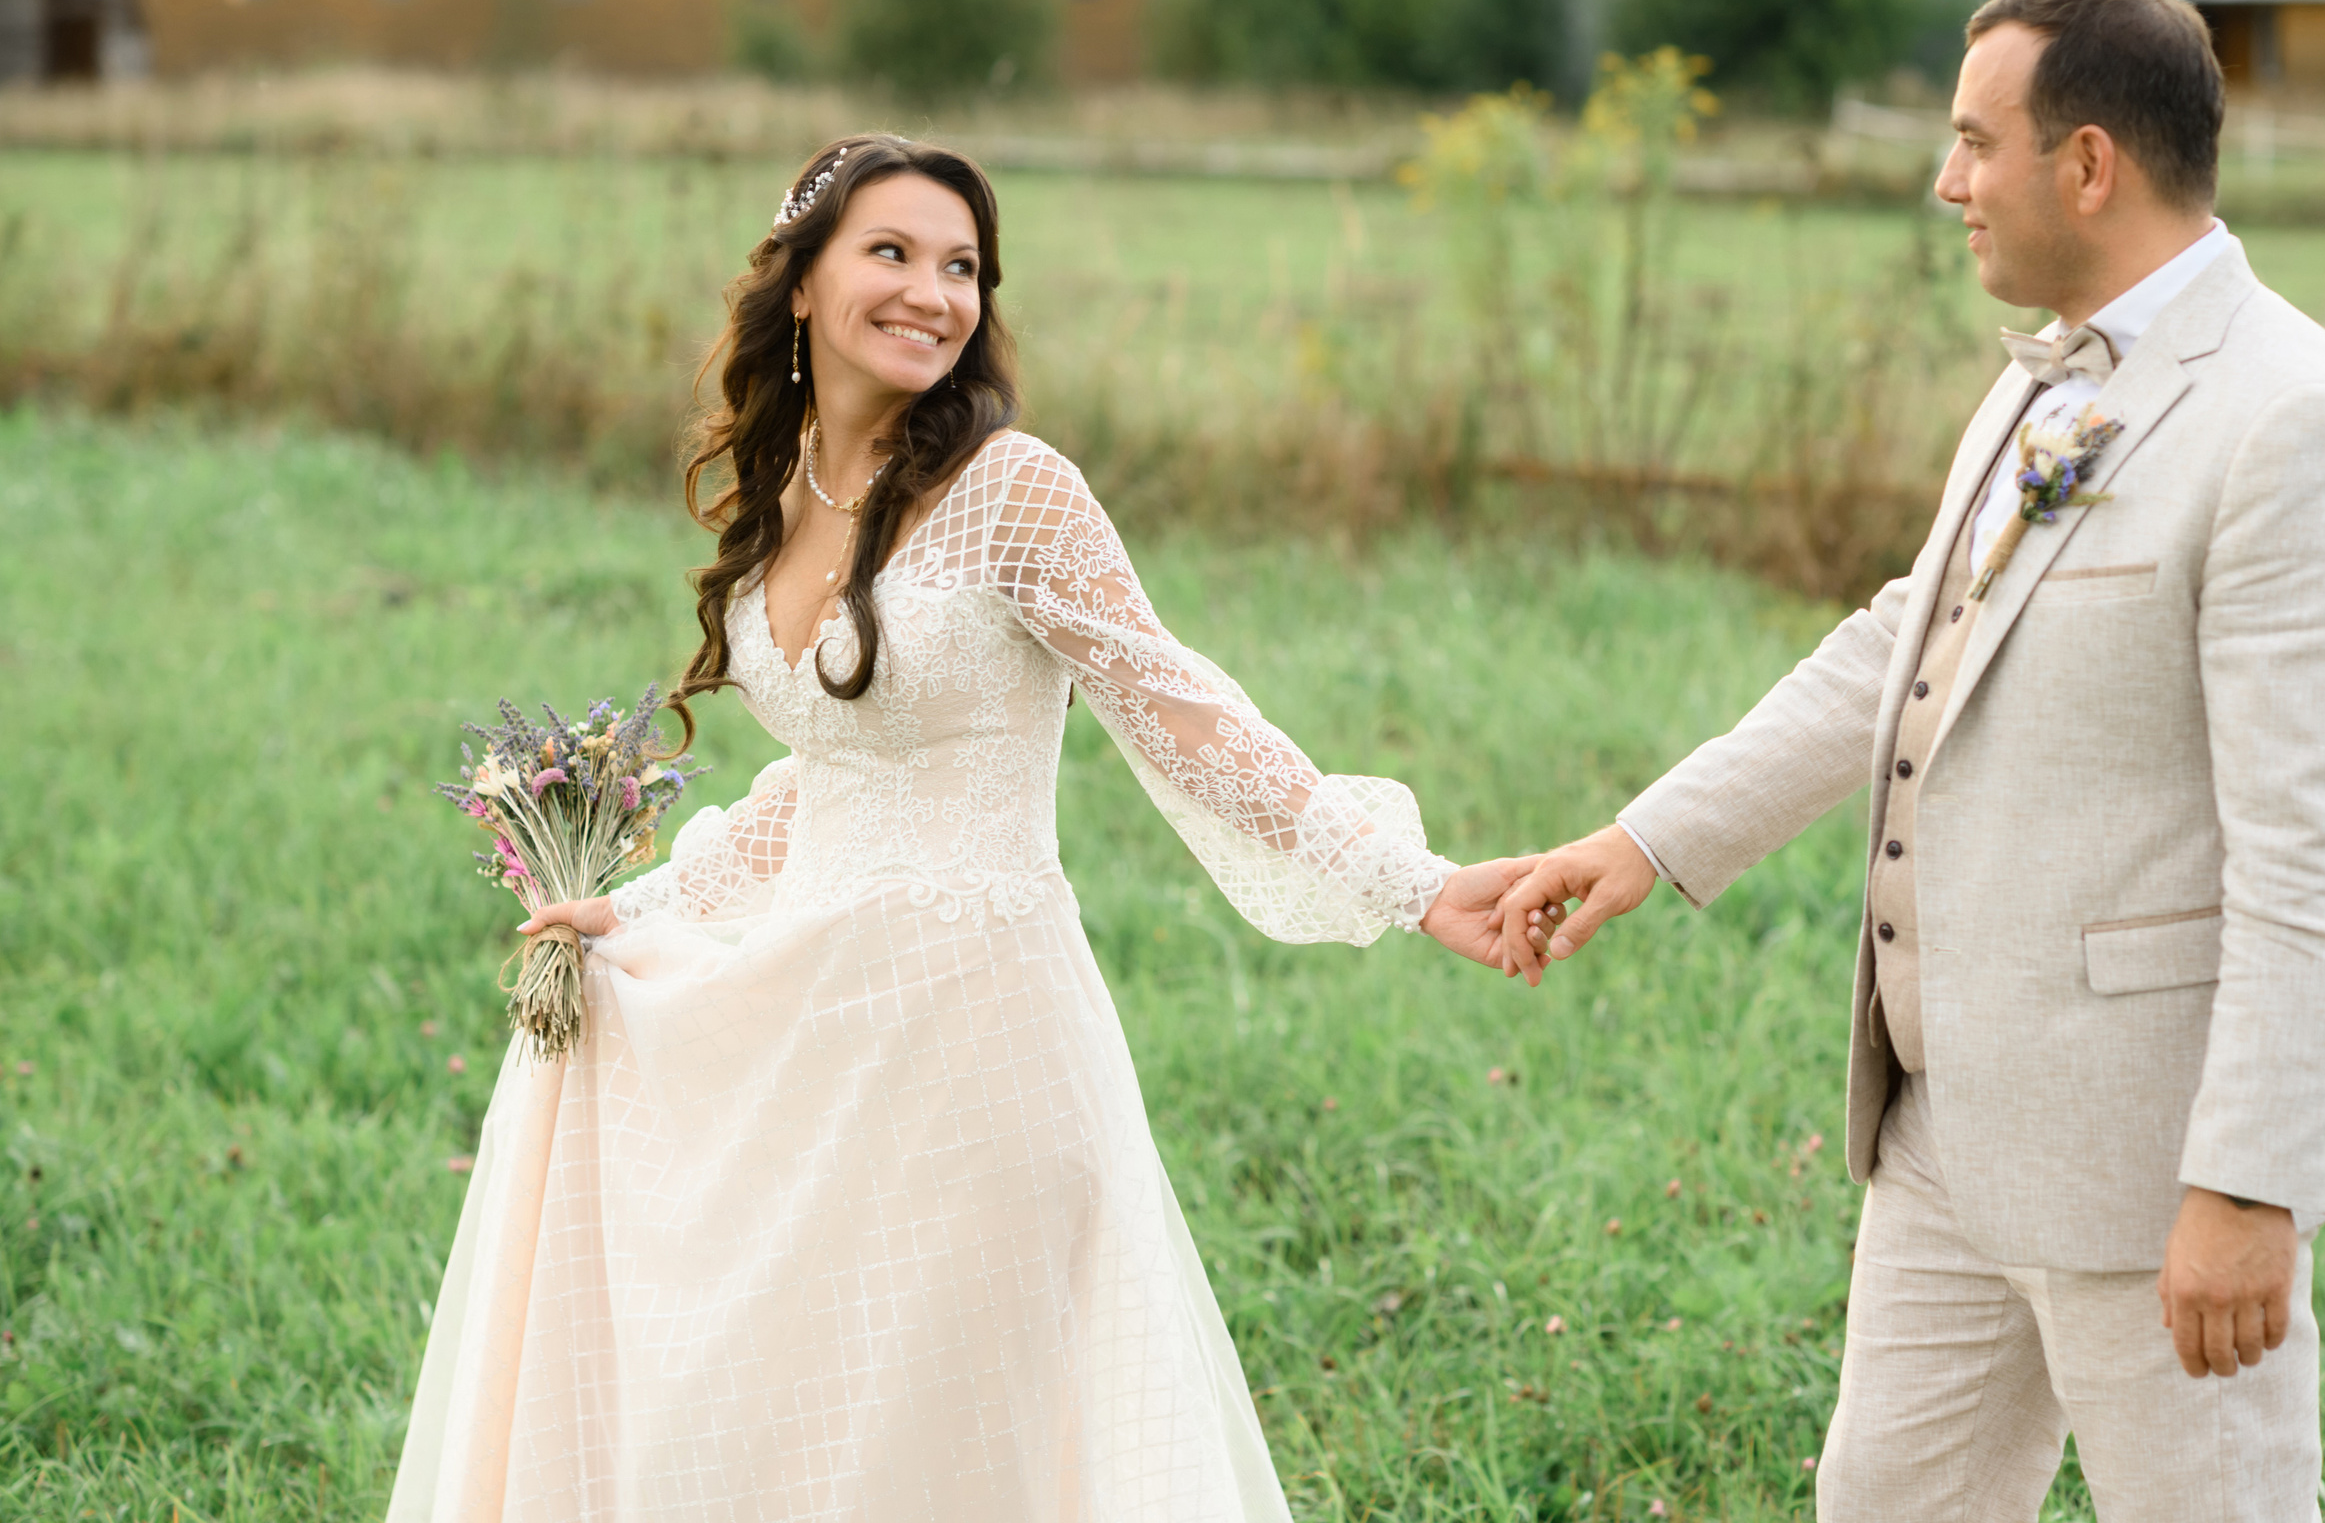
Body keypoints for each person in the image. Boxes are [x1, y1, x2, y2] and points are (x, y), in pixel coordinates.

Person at [387, 134, 1530, 1519]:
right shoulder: (785, 499)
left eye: (963, 267)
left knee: (968, 1430)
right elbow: (830, 776)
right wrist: (643, 912)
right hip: (812, 1028)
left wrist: (1411, 882)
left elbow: (1180, 709)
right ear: (803, 283)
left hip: (980, 1040)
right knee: (807, 1419)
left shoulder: (1013, 491)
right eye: (892, 253)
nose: (933, 293)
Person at [1496, 0, 2325, 1520]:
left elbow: (2313, 851)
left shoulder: (2293, 423)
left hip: (2148, 1163)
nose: (1947, 182)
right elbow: (1905, 640)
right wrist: (1647, 840)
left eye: (1977, 142)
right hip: (1945, 1130)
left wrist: (2248, 1187)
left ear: (2089, 164)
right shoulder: (2047, 375)